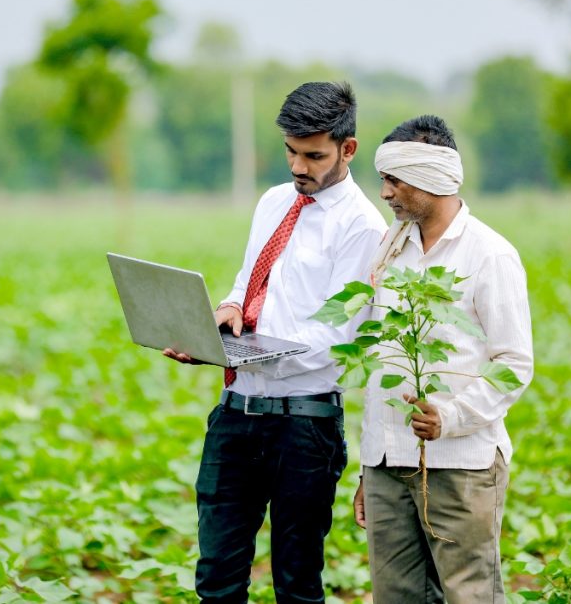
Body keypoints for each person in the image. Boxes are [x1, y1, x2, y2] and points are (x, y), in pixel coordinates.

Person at [164, 81, 386, 603]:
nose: (297, 167)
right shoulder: (272, 202)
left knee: (296, 583)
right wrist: (225, 315)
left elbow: (338, 335)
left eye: (313, 155)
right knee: (215, 577)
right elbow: (249, 282)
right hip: (236, 413)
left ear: (347, 149)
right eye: (290, 151)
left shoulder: (361, 226)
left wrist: (259, 348)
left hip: (305, 427)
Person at [354, 115, 534, 603]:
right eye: (383, 181)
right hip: (388, 462)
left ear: (432, 178)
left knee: (468, 595)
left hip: (462, 465)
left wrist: (450, 417)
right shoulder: (391, 250)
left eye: (393, 180)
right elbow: (381, 360)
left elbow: (514, 362)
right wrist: (370, 467)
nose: (385, 193)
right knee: (396, 597)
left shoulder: (489, 255)